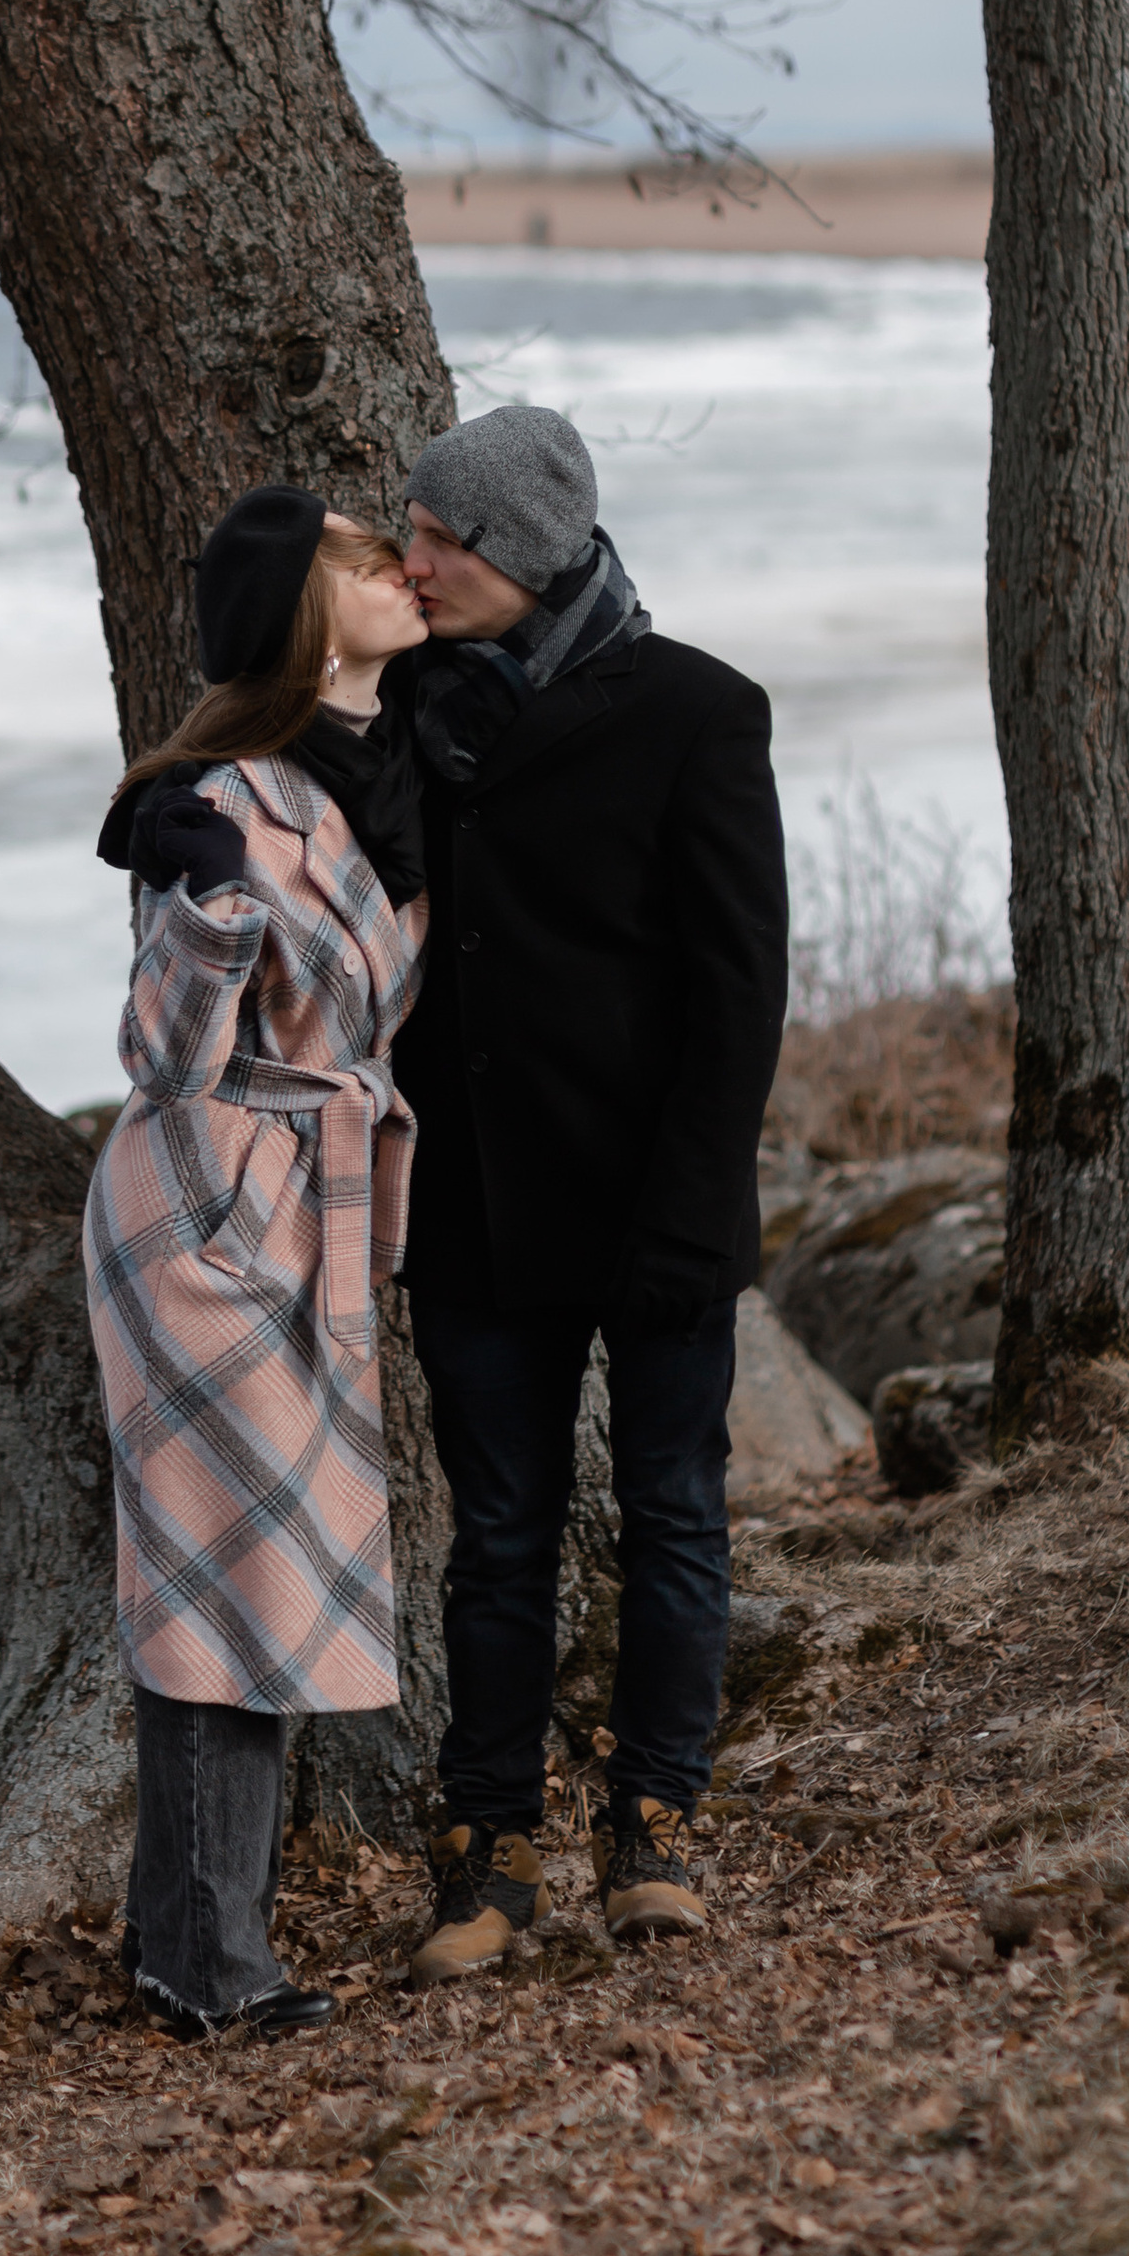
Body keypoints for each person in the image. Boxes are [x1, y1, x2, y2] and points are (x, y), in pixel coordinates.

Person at [388, 404, 787, 1979]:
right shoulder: (401, 706)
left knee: (674, 1517)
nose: (413, 561)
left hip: (653, 1202)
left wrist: (691, 1216)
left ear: (526, 554)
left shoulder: (698, 711)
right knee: (499, 1537)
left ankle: (656, 1824)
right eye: (411, 532)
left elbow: (738, 990)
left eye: (440, 538)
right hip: (476, 1203)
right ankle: (488, 1852)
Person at [86, 484, 431, 2041]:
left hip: (315, 1204)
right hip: (207, 1210)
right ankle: (211, 1964)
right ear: (304, 609)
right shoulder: (222, 801)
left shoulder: (394, 769)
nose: (398, 567)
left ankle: (185, 1940)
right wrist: (211, 898)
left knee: (250, 1569)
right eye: (359, 558)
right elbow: (164, 1056)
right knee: (221, 1572)